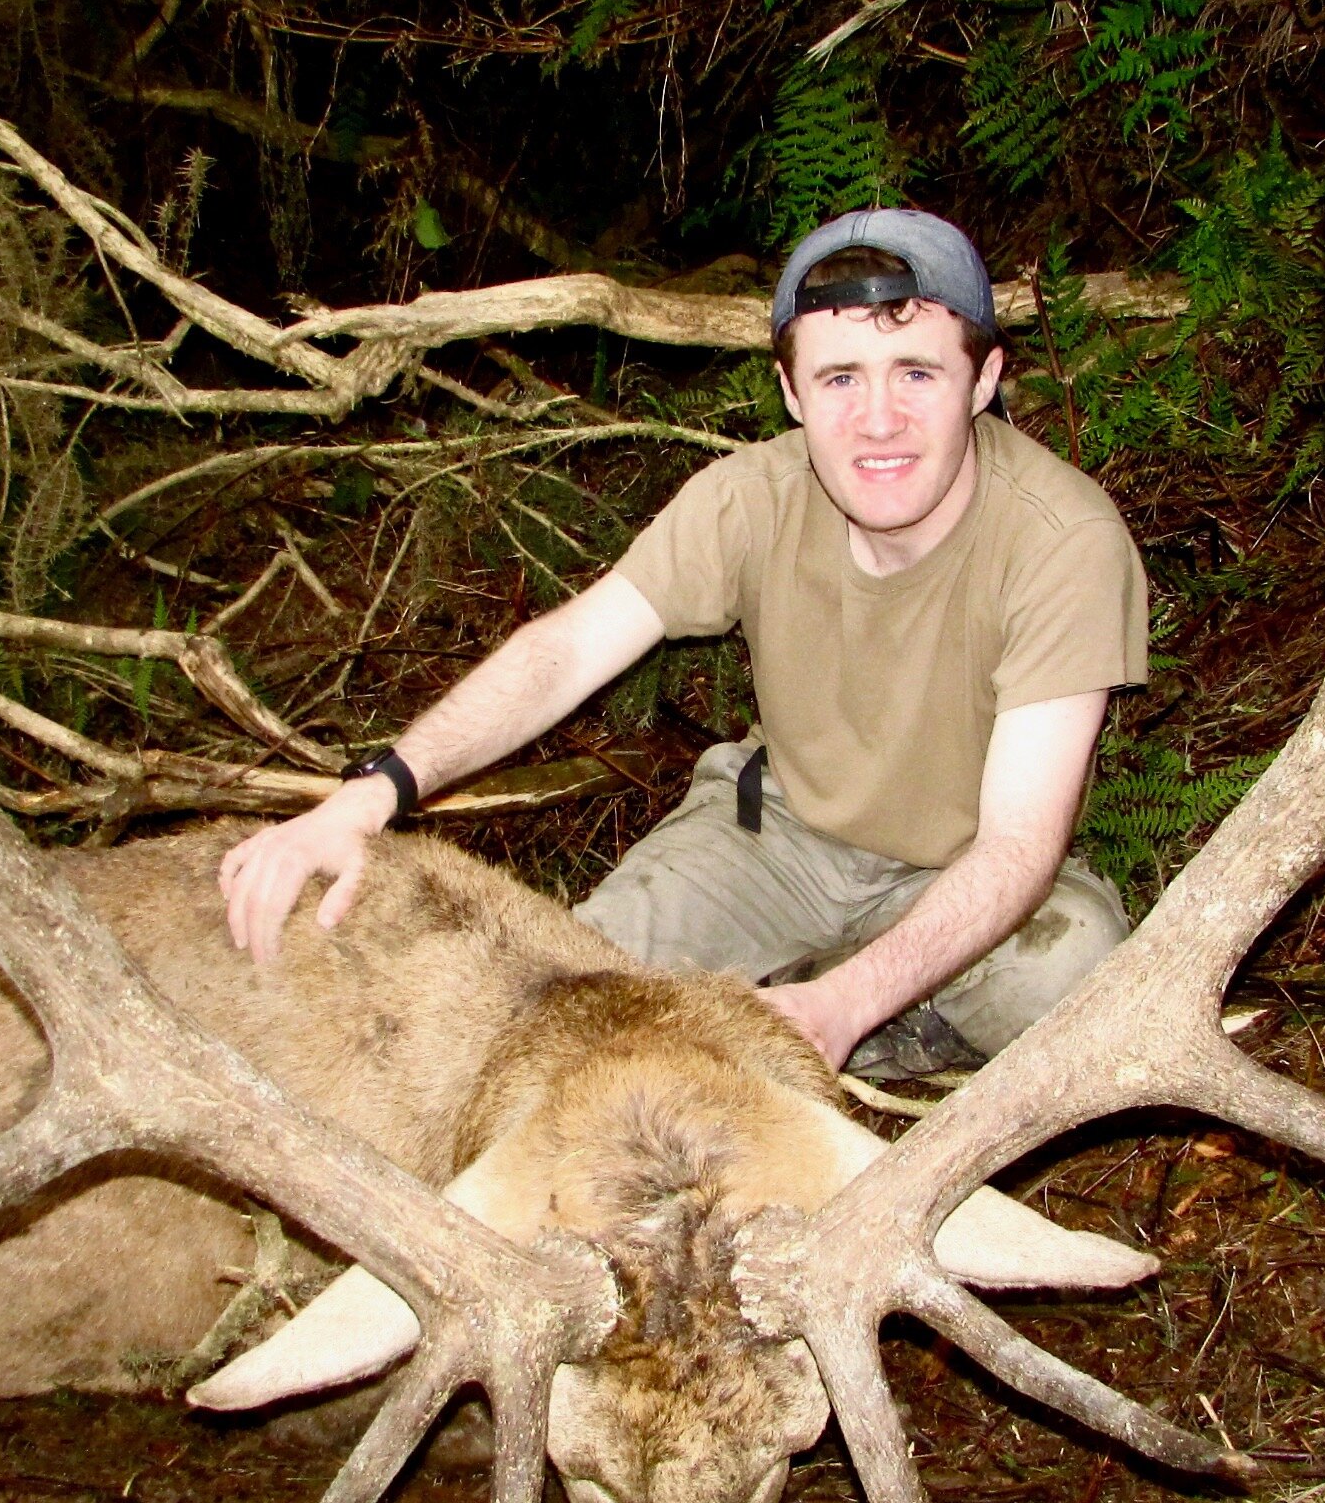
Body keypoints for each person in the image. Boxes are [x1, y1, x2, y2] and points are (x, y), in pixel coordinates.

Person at [218, 208, 1143, 1076]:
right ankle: (776, 1002)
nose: (878, 420)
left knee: (1070, 970)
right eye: (839, 379)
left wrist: (847, 1004)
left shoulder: (1061, 541)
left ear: (982, 380)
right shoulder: (749, 498)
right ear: (790, 391)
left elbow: (1019, 846)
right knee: (559, 1008)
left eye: (917, 372)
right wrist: (372, 793)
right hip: (772, 839)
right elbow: (568, 651)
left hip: (962, 857)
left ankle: (848, 1014)